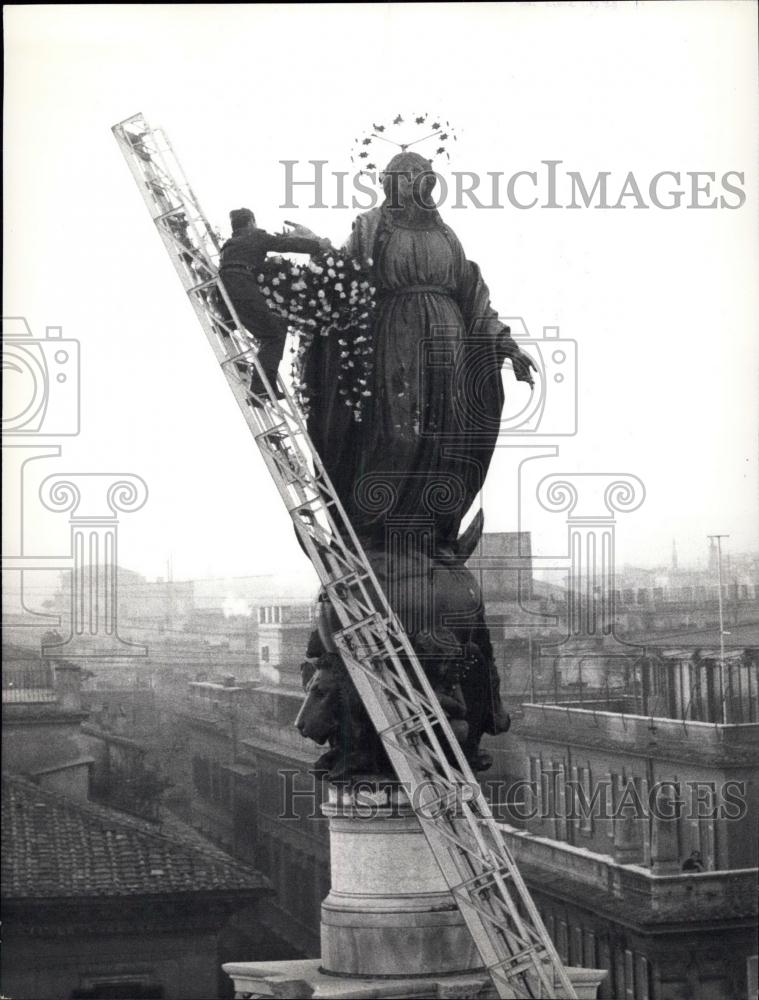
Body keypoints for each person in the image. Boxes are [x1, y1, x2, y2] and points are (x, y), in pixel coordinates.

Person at [292, 152, 538, 548]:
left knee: (448, 439)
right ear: (390, 183)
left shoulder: (446, 236)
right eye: (408, 176)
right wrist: (317, 246)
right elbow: (345, 271)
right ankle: (375, 533)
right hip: (396, 344)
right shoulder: (372, 227)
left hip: (449, 349)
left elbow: (474, 296)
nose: (418, 182)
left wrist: (507, 346)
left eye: (424, 175)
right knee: (397, 436)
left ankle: (432, 536)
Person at [218, 208, 328, 401]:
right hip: (243, 285)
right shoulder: (255, 236)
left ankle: (228, 321)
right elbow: (285, 244)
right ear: (251, 221)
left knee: (256, 319)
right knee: (275, 333)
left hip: (226, 291)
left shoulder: (230, 245)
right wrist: (317, 245)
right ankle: (261, 386)